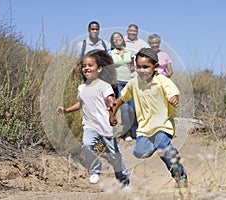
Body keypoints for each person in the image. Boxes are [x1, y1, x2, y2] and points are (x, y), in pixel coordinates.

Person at [109, 48, 188, 187]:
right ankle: (160, 148)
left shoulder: (162, 80)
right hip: (144, 127)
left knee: (163, 146)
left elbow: (172, 92)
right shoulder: (134, 83)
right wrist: (112, 112)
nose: (142, 70)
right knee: (140, 153)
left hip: (162, 124)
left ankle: (180, 176)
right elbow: (122, 98)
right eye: (138, 67)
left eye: (146, 67)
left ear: (155, 67)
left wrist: (173, 99)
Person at [57, 49, 129, 186]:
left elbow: (110, 99)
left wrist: (111, 105)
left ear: (99, 69)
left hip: (106, 125)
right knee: (87, 144)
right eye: (84, 66)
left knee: (114, 155)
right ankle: (95, 170)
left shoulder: (104, 85)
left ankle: (123, 178)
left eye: (90, 65)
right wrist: (66, 110)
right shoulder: (82, 88)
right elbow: (81, 103)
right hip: (90, 125)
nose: (86, 68)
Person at [110, 32, 136, 141]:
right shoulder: (111, 53)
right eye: (114, 38)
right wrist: (113, 79)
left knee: (133, 107)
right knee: (124, 108)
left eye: (119, 37)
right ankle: (127, 132)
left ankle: (135, 129)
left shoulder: (129, 52)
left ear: (122, 39)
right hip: (119, 82)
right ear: (112, 41)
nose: (117, 39)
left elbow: (132, 67)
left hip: (130, 82)